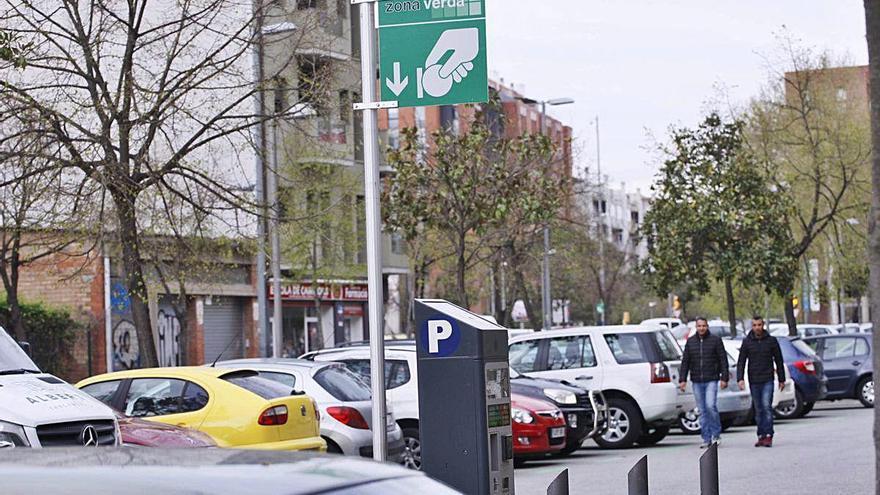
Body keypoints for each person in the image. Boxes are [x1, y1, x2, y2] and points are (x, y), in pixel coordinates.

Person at [679, 317, 729, 448]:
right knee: (702, 410)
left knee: (710, 406)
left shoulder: (715, 341)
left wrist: (724, 377)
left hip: (711, 379)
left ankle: (716, 434)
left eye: (704, 326)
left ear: (707, 327)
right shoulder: (690, 342)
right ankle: (706, 438)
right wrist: (682, 380)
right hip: (696, 380)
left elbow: (723, 360)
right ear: (696, 327)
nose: (702, 328)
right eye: (699, 326)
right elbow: (685, 362)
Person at [737, 316, 786, 447]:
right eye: (754, 325)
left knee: (766, 406)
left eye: (759, 325)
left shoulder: (771, 341)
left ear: (763, 325)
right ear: (752, 327)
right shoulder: (747, 342)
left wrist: (782, 379)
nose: (757, 327)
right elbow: (741, 361)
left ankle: (769, 434)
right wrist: (740, 378)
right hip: (754, 379)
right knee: (758, 409)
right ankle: (761, 435)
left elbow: (779, 360)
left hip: (767, 379)